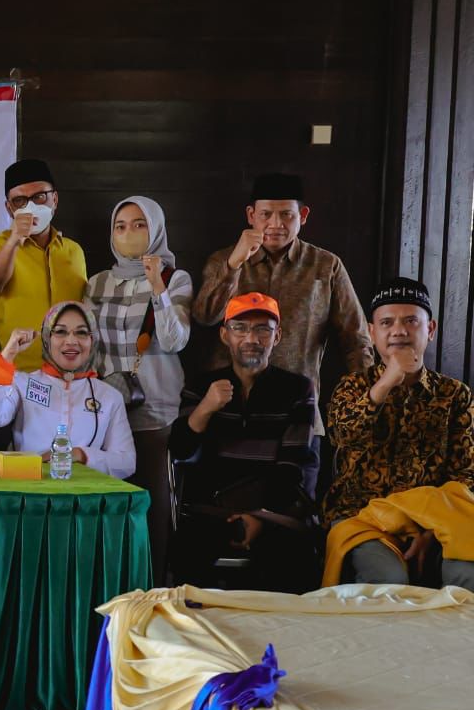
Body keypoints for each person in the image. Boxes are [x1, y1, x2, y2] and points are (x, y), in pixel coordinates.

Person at [323, 278, 474, 586]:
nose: (399, 331)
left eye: (410, 321)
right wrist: (387, 382)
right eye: (387, 322)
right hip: (362, 518)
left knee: (465, 575)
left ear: (430, 329)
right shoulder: (352, 386)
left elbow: (465, 475)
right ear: (371, 332)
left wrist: (431, 531)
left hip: (435, 519)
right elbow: (343, 436)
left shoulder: (455, 394)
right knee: (387, 579)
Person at [169, 292, 319, 591]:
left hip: (272, 511)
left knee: (291, 558)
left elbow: (292, 467)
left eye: (263, 329)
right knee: (187, 555)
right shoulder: (202, 386)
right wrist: (206, 408)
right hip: (211, 510)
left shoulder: (297, 389)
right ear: (225, 335)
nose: (251, 338)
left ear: (277, 337)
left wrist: (259, 517)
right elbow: (180, 453)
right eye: (240, 328)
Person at [83, 196, 194, 581]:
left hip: (155, 412)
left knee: (152, 509)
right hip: (106, 412)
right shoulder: (97, 282)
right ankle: (112, 588)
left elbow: (175, 340)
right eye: (121, 226)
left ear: (156, 229)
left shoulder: (175, 278)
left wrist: (156, 284)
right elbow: (87, 346)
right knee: (110, 507)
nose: (128, 233)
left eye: (139, 224)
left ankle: (152, 587)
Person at [192, 173, 371, 397]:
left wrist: (367, 397)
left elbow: (356, 338)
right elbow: (205, 316)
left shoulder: (326, 266)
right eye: (266, 214)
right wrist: (233, 265)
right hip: (231, 398)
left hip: (298, 399)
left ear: (302, 215)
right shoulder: (223, 259)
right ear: (251, 215)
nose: (276, 224)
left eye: (286, 214)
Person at [0, 302, 136, 479]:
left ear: (93, 340)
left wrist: (80, 455)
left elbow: (126, 462)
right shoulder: (22, 383)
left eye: (81, 332)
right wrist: (7, 356)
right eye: (60, 332)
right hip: (29, 488)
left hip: (84, 492)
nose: (71, 341)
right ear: (46, 338)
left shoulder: (109, 396)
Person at [0, 159, 88, 372]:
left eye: (39, 197)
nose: (31, 207)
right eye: (20, 201)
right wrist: (14, 239)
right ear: (9, 209)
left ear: (54, 199)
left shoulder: (74, 251)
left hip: (70, 373)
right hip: (17, 374)